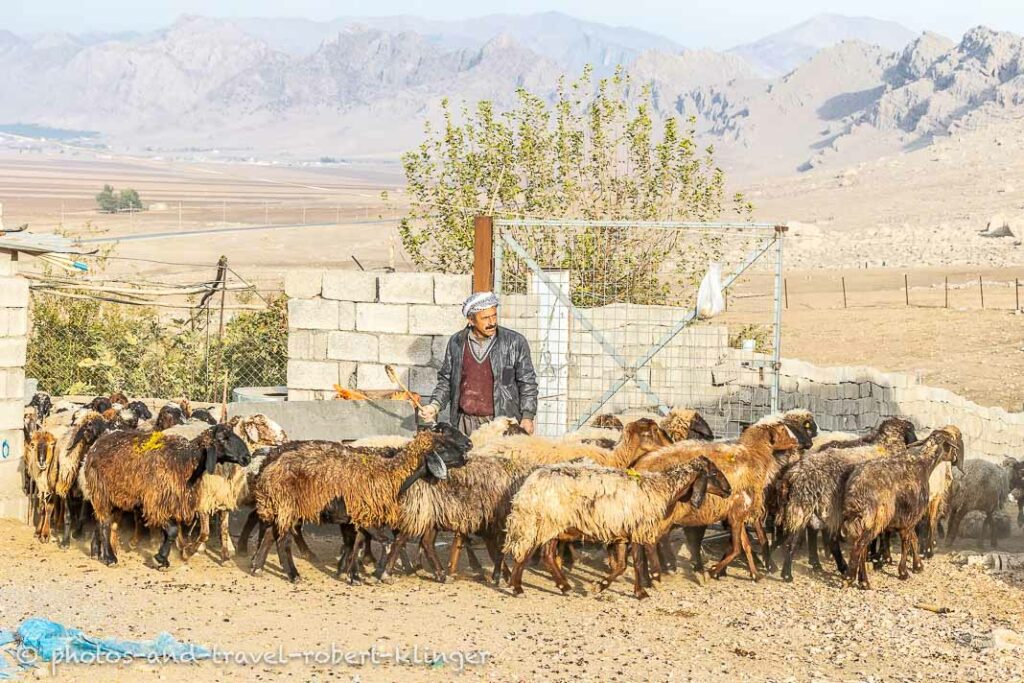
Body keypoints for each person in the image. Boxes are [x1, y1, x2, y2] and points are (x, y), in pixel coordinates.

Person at [419, 291, 538, 435]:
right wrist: (434, 406)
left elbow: (527, 382)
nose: (492, 322)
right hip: (465, 423)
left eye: (494, 315)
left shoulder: (514, 342)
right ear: (471, 320)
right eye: (486, 318)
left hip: (500, 423)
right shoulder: (456, 343)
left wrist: (527, 416)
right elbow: (446, 380)